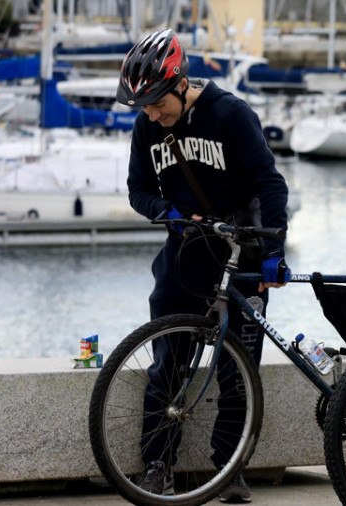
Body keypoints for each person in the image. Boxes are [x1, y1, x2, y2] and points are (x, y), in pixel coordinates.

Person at [117, 28, 290, 504]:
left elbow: (270, 185)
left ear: (180, 83)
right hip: (184, 256)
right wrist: (168, 214)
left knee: (237, 373)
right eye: (144, 107)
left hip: (243, 255)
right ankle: (157, 464)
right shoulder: (147, 125)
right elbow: (137, 189)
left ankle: (229, 467)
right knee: (167, 365)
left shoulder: (230, 113)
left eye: (157, 103)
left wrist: (275, 250)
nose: (152, 113)